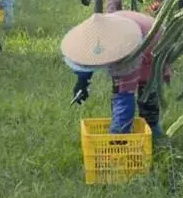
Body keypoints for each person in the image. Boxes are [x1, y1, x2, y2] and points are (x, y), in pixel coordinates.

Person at [61, 11, 171, 140]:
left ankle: (153, 133)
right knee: (126, 90)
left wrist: (116, 139)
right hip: (136, 29)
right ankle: (148, 133)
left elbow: (124, 96)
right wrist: (82, 82)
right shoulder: (95, 35)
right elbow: (89, 56)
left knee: (145, 89)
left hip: (154, 42)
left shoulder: (124, 51)